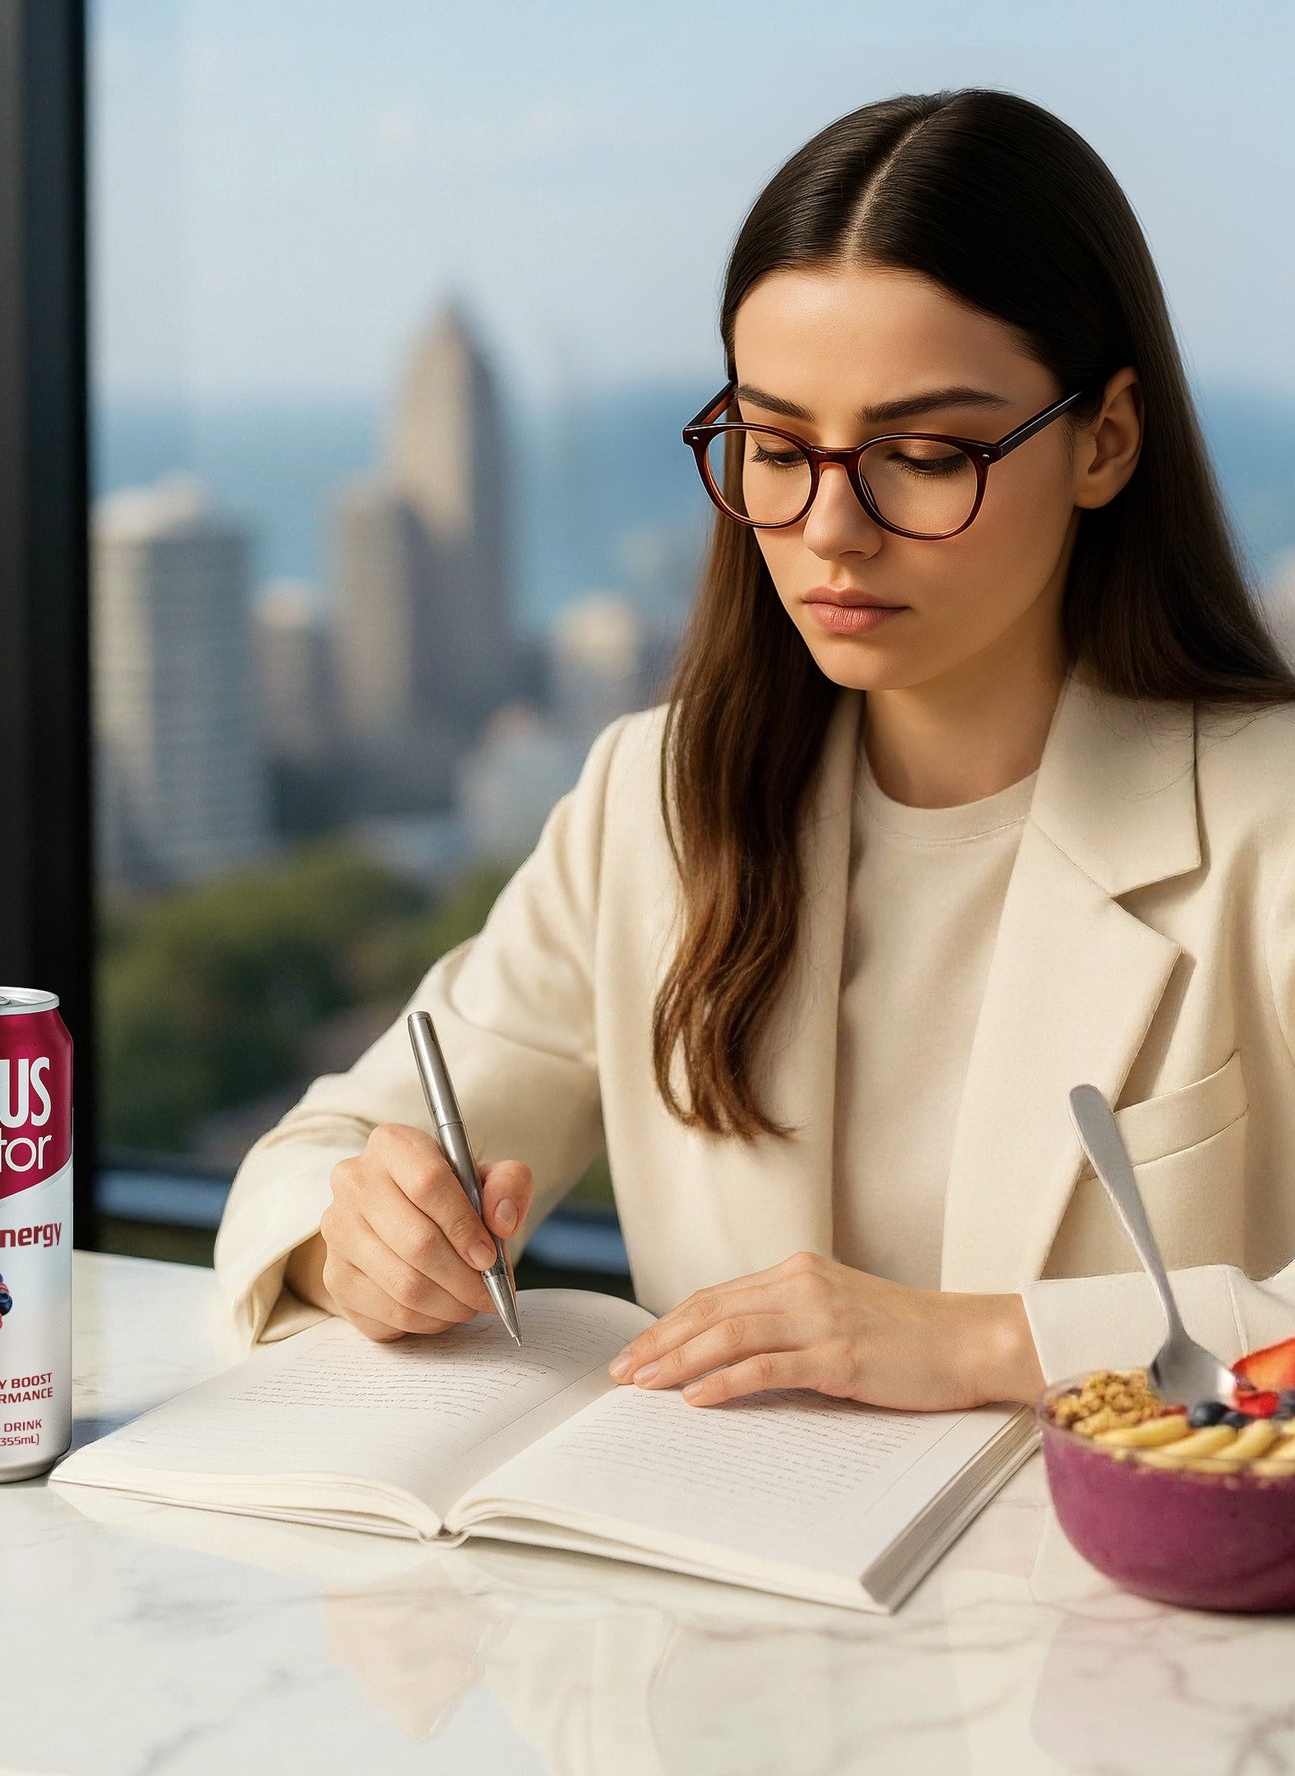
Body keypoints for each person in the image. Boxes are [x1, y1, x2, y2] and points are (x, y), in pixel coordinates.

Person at [216, 87, 1295, 1408]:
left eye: (923, 452)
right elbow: (317, 1153)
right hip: (725, 1592)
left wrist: (972, 1342)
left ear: (1104, 441)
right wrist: (357, 1241)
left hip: (1112, 1600)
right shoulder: (655, 804)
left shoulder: (1269, 820)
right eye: (778, 446)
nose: (831, 528)